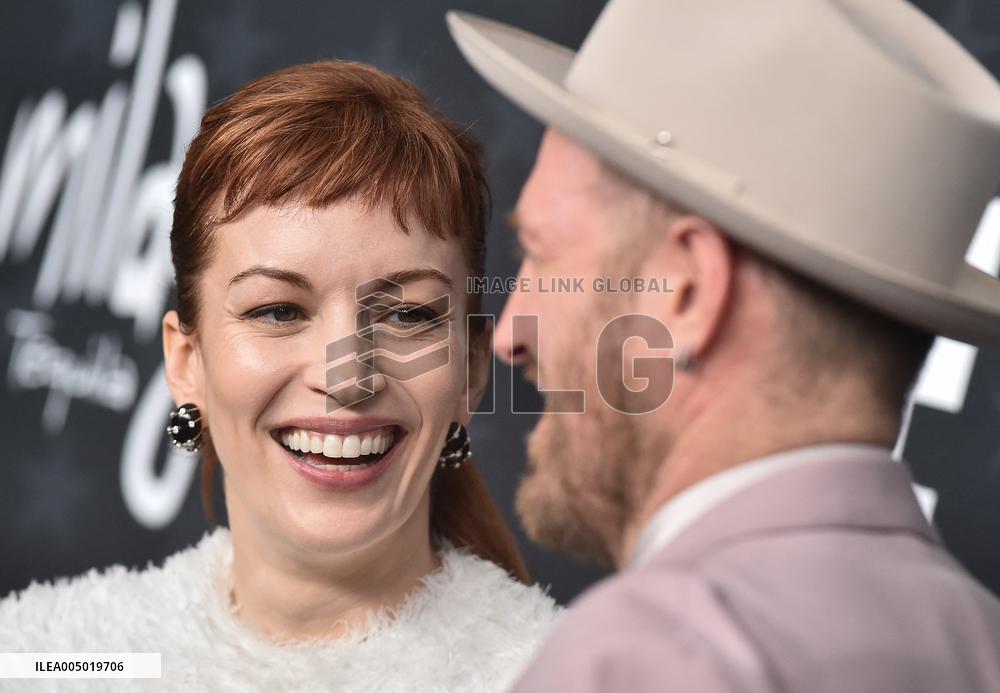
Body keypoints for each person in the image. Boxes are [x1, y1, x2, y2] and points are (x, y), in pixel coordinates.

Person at [446, 0, 1000, 691]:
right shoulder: (981, 639)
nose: (509, 333)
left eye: (542, 255)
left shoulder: (648, 657)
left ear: (686, 291)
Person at [0, 60, 560, 691]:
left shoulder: (569, 677)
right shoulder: (50, 662)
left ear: (470, 370)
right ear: (187, 362)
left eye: (407, 315)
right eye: (278, 311)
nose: (347, 378)